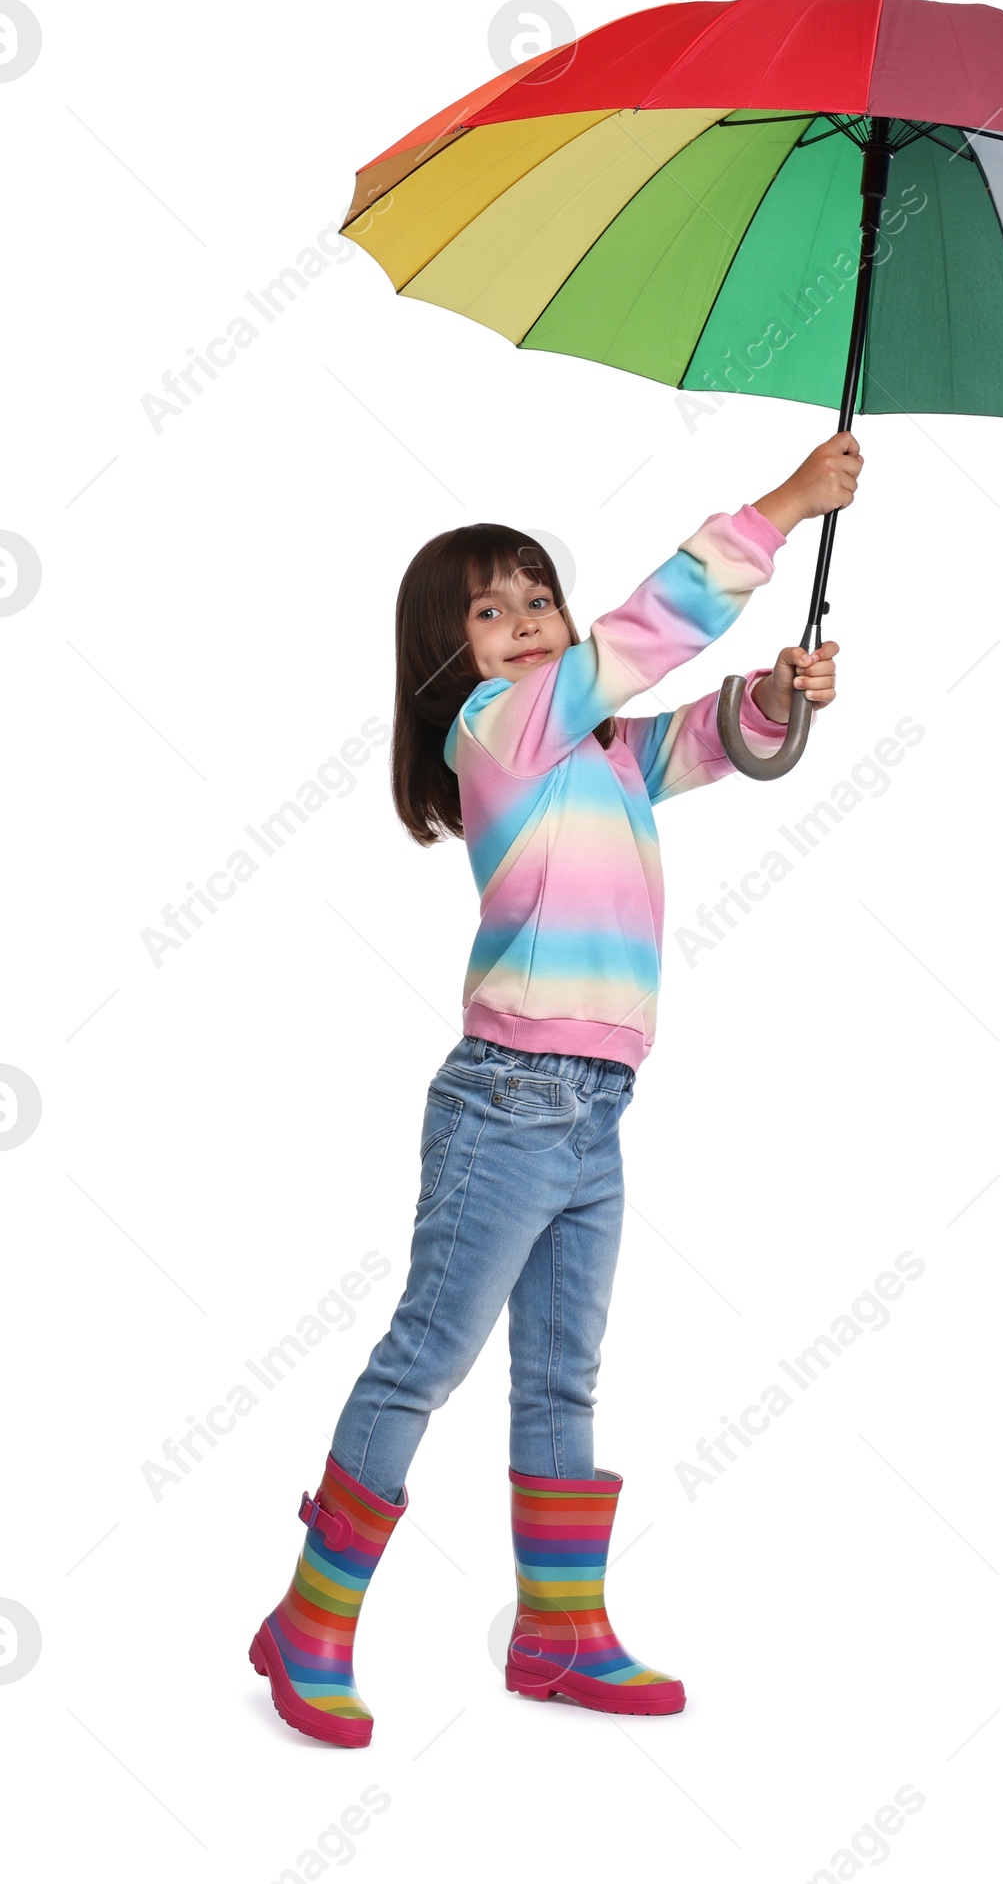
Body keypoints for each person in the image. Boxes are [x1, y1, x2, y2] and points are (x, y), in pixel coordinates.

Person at [248, 432, 862, 1745]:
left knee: (563, 1375)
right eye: (493, 609)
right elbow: (631, 649)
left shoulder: (597, 754)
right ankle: (311, 1616)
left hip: (595, 1113)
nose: (527, 621)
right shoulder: (502, 733)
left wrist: (780, 694)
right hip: (507, 1102)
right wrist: (777, 512)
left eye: (539, 596)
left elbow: (707, 740)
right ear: (448, 660)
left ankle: (560, 1629)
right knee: (428, 1354)